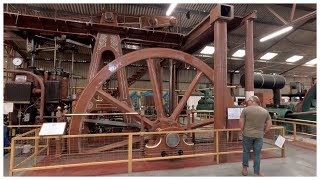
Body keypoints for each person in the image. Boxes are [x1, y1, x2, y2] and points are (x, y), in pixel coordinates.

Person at [239, 96, 272, 176]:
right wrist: (264, 132)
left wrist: (242, 130)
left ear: (254, 101)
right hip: (259, 136)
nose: (248, 102)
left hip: (247, 135)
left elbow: (241, 122)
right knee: (257, 154)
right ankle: (256, 172)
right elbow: (269, 124)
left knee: (246, 152)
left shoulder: (246, 110)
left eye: (249, 100)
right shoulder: (265, 111)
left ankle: (244, 169)